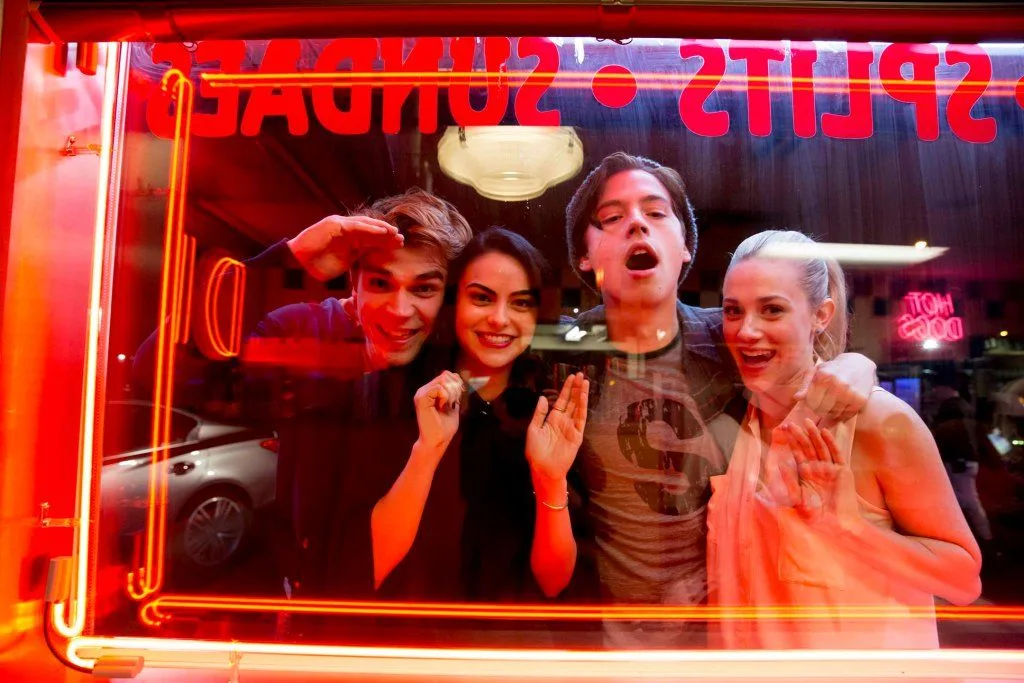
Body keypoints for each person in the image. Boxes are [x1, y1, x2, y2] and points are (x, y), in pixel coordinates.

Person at [533, 152, 878, 648]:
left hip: (732, 634)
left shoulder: (731, 337)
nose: (637, 223)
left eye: (656, 212)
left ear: (685, 247)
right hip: (609, 641)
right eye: (611, 217)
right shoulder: (564, 354)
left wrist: (856, 365)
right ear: (584, 256)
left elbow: (809, 358)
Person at [133, 188, 474, 598]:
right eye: (381, 282)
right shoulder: (301, 331)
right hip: (309, 597)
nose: (400, 310)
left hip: (416, 604)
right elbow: (154, 369)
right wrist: (285, 259)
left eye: (424, 289)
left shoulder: (453, 363)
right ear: (354, 285)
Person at [706, 229, 982, 649]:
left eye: (772, 310)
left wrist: (850, 530)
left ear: (821, 315)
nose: (746, 331)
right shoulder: (734, 427)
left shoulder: (879, 422)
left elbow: (963, 581)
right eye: (732, 311)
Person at [325, 228, 589, 604]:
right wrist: (427, 450)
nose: (499, 319)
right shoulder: (394, 395)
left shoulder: (547, 412)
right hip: (409, 629)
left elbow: (553, 583)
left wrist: (550, 480)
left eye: (520, 303)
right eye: (482, 298)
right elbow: (367, 569)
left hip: (509, 633)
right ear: (454, 302)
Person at [931, 379, 994, 545]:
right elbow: (988, 448)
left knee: (965, 501)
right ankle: (983, 536)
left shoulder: (944, 427)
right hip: (968, 464)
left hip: (954, 465)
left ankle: (975, 537)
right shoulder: (972, 424)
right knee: (969, 501)